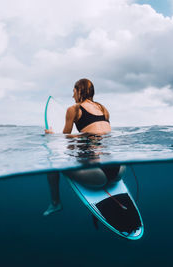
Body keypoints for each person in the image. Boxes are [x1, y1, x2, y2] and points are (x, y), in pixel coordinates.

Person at [43, 78, 125, 216]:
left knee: (52, 164)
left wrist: (51, 136)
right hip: (118, 171)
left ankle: (55, 203)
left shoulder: (74, 109)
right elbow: (99, 136)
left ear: (80, 91)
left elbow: (65, 140)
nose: (72, 96)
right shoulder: (103, 109)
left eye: (74, 91)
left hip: (97, 175)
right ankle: (110, 179)